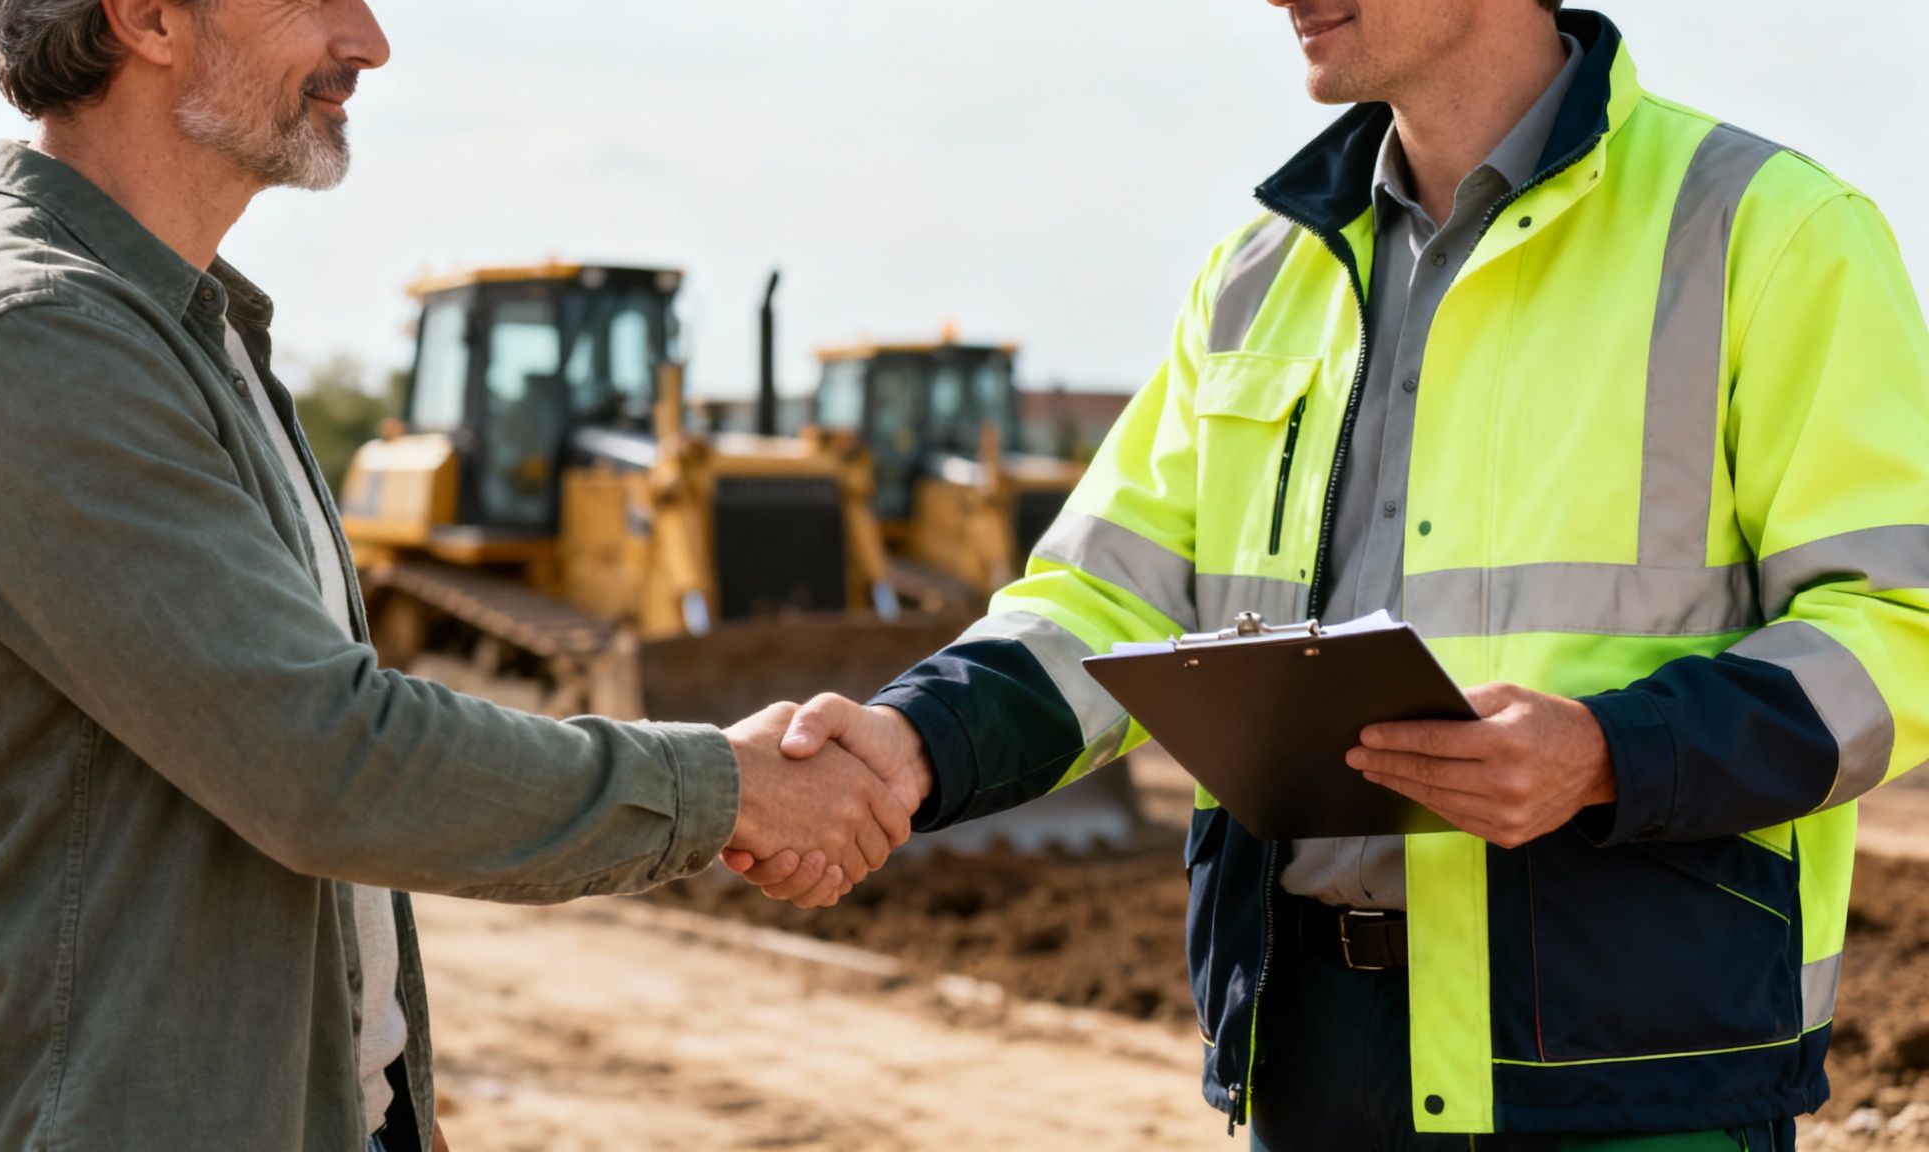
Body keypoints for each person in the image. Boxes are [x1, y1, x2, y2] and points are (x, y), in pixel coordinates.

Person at [736, 1, 1929, 1147]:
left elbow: (1897, 622)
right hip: (1310, 1059)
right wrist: (911, 743)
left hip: (1631, 1060)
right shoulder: (1259, 274)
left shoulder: (1765, 232)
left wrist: (1608, 755)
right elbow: (1102, 604)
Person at [0, 2, 907, 1150]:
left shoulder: (187, 335)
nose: (367, 40)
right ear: (148, 16)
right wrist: (730, 786)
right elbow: (324, 763)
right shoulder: (34, 343)